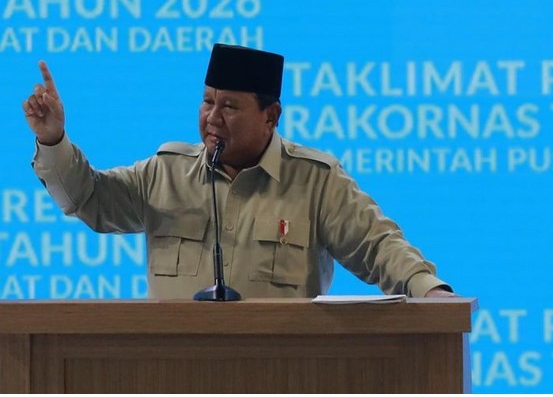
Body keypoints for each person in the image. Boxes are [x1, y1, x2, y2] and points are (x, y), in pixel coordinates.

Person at [23, 43, 454, 299]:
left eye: (229, 106)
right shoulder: (165, 174)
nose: (212, 117)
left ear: (271, 116)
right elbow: (89, 199)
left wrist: (428, 289)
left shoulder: (315, 181)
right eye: (208, 101)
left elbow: (378, 246)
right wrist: (53, 139)